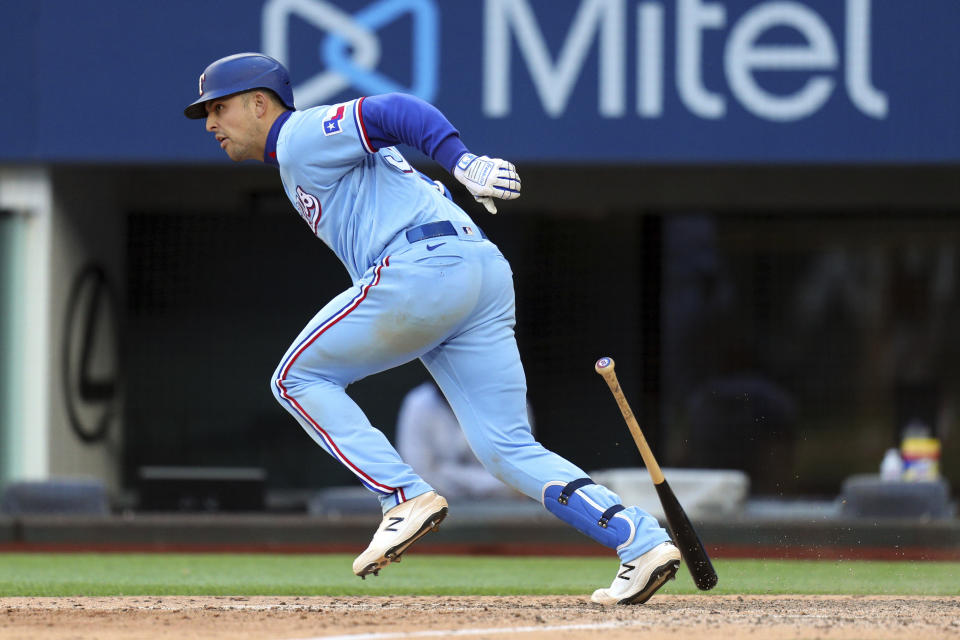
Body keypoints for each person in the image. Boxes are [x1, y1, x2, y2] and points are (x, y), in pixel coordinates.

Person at [184, 52, 679, 605]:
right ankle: (639, 539)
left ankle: (402, 496)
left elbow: (395, 110)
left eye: (219, 108)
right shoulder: (297, 157)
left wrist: (462, 162)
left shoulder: (298, 134)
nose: (210, 124)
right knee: (506, 448)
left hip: (423, 267)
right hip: (480, 272)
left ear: (258, 104)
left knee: (296, 379)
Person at [396, 381, 532, 499]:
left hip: (503, 515)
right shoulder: (418, 403)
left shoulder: (511, 402)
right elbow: (420, 479)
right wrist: (488, 483)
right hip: (436, 514)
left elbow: (518, 479)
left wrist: (446, 471)